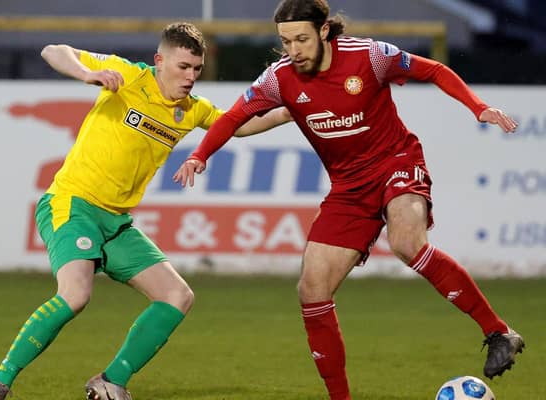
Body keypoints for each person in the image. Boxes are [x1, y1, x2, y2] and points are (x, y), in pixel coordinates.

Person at [173, 1, 525, 399]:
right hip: (348, 188)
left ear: (324, 32)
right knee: (312, 288)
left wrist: (478, 107)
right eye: (286, 41)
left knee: (408, 244)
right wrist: (199, 155)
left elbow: (435, 70)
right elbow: (234, 118)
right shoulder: (279, 78)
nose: (293, 50)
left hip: (396, 162)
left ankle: (498, 332)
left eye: (302, 39)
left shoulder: (370, 56)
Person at [0, 22, 291, 400]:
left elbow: (238, 126)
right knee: (75, 295)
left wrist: (294, 109)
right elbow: (53, 50)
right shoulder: (128, 77)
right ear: (159, 61)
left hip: (117, 223)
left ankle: (110, 381)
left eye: (196, 70)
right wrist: (88, 73)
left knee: (177, 296)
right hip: (73, 203)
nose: (190, 77)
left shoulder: (190, 110)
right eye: (182, 67)